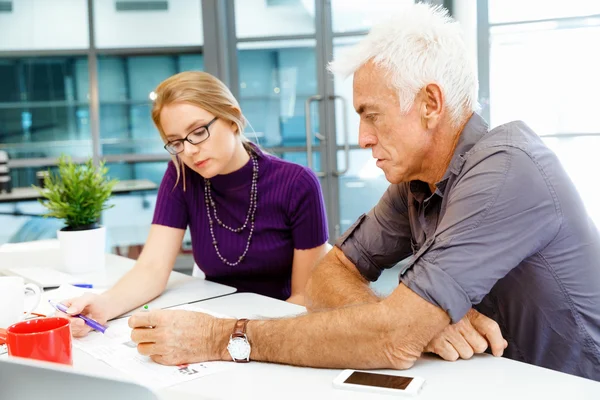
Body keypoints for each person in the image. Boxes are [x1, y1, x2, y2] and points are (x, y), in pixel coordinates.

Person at [126, 4, 600, 381]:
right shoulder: (416, 180)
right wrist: (415, 321)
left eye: (372, 114)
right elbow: (331, 272)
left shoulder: (506, 170)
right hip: (490, 380)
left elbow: (393, 339)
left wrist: (220, 338)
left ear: (430, 104)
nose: (362, 136)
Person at [60, 71, 330, 335]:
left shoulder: (296, 183)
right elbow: (152, 268)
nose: (188, 151)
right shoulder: (182, 176)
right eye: (175, 142)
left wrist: (234, 337)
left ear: (232, 118)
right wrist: (103, 305)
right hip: (212, 323)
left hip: (278, 328)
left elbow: (304, 298)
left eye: (198, 132)